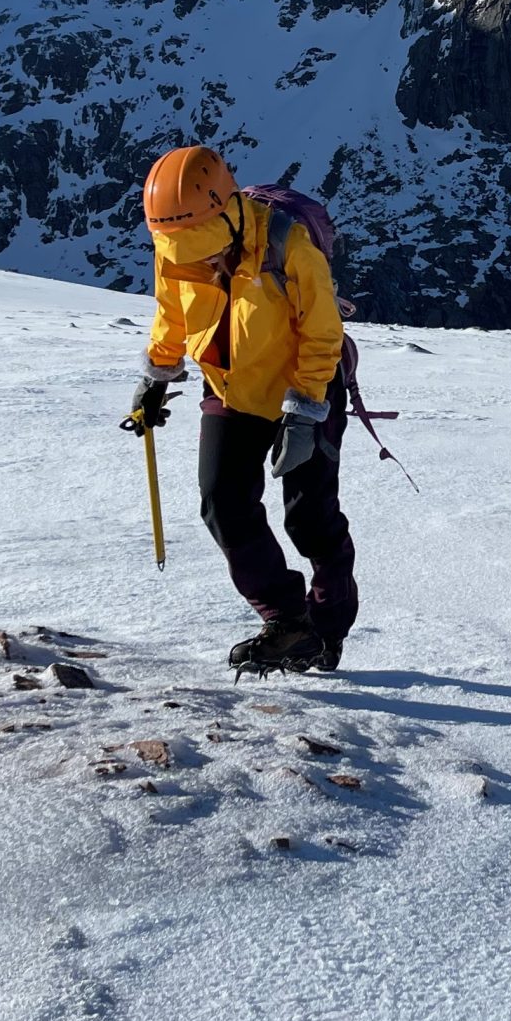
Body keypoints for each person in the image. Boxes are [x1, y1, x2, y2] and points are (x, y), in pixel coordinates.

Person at [124, 145, 357, 673]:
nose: (195, 257)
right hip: (230, 389)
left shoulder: (288, 245)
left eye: (202, 244)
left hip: (306, 389)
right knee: (223, 503)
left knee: (310, 520)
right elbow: (172, 314)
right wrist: (157, 375)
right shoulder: (174, 249)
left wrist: (304, 411)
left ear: (228, 212)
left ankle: (327, 629)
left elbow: (322, 334)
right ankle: (287, 621)